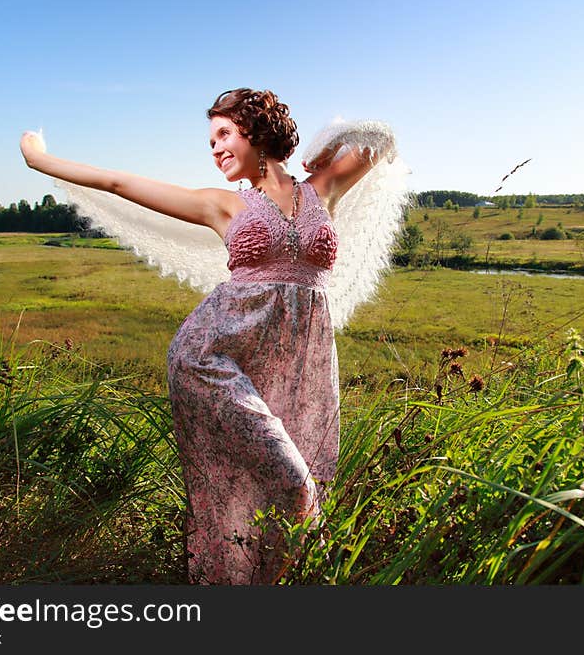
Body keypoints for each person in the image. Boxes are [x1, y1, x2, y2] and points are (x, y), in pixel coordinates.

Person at [20, 87, 400, 584]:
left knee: (299, 489)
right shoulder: (220, 205)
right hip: (212, 356)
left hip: (299, 368)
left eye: (224, 133)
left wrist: (324, 146)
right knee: (294, 483)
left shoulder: (322, 190)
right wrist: (37, 158)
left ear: (257, 131)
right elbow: (115, 181)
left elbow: (382, 139)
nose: (215, 147)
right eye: (211, 139)